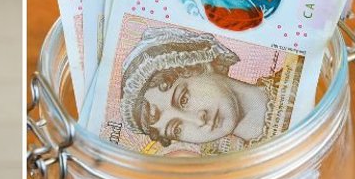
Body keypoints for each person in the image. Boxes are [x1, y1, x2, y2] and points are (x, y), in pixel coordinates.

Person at [119, 26, 297, 152]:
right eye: (177, 129)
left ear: (202, 64)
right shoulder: (233, 176)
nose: (198, 121)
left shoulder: (299, 76)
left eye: (183, 99)